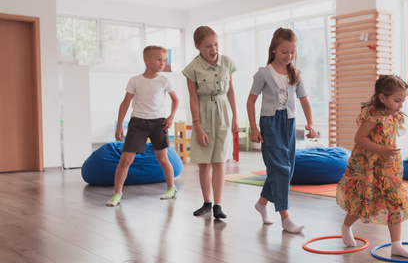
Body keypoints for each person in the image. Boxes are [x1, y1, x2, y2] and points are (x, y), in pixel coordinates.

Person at [337, 75, 408, 257]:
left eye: (402, 101)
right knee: (365, 201)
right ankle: (346, 226)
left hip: (389, 166)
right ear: (382, 98)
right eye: (397, 100)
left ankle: (396, 245)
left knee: (396, 200)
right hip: (370, 165)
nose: (401, 105)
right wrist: (381, 149)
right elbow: (359, 138)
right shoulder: (373, 114)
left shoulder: (394, 114)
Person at [247, 27, 316, 233]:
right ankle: (285, 217)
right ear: (274, 50)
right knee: (281, 169)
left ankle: (261, 204)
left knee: (286, 168)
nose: (289, 56)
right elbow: (250, 102)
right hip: (270, 123)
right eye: (285, 51)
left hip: (289, 123)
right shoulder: (263, 73)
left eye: (292, 52)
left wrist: (311, 124)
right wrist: (253, 128)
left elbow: (304, 100)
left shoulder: (295, 74)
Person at [106, 45, 179, 207]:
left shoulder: (165, 80)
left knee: (162, 158)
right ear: (146, 60)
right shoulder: (135, 81)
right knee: (126, 159)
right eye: (159, 59)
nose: (162, 63)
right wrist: (119, 127)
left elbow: (176, 100)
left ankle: (171, 188)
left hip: (158, 123)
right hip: (138, 123)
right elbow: (125, 104)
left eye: (164, 60)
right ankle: (117, 194)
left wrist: (171, 117)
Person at [183, 26, 238, 219]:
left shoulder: (227, 63)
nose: (213, 49)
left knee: (219, 161)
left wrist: (235, 117)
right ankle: (207, 202)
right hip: (203, 114)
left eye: (216, 44)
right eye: (208, 46)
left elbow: (230, 90)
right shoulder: (192, 69)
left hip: (223, 113)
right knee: (204, 163)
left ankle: (218, 205)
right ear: (197, 46)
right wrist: (197, 126)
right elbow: (193, 99)